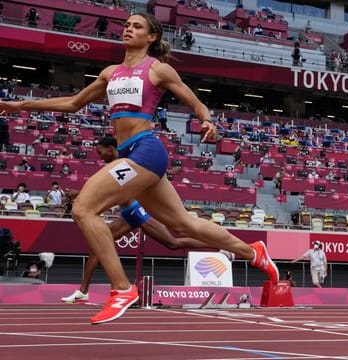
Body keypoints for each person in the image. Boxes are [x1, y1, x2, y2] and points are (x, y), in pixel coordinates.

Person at [0, 13, 278, 324]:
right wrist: (20, 106)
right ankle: (254, 253)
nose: (128, 29)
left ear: (151, 37)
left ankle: (121, 290)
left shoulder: (158, 69)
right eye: (126, 25)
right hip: (132, 154)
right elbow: (73, 103)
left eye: (137, 26)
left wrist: (207, 121)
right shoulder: (111, 73)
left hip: (147, 151)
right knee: (185, 225)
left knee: (83, 208)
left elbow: (195, 101)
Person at [61, 136, 235, 303]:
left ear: (110, 149)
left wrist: (81, 196)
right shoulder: (116, 166)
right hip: (127, 215)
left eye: (101, 152)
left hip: (138, 211)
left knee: (173, 243)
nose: (99, 157)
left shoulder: (125, 162)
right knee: (96, 248)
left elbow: (132, 186)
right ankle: (82, 291)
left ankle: (220, 246)